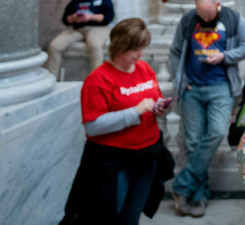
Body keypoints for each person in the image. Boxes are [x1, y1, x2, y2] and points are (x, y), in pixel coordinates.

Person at [61, 18, 172, 225]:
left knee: (131, 217)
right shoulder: (98, 80)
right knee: (108, 217)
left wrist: (161, 108)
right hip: (114, 160)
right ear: (121, 46)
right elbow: (93, 127)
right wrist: (134, 112)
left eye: (142, 48)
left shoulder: (144, 69)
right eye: (135, 49)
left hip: (147, 153)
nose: (140, 54)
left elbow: (155, 98)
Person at [167, 0, 245, 216]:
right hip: (192, 89)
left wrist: (224, 56)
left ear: (218, 5)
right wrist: (180, 79)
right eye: (201, 16)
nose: (205, 20)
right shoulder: (188, 20)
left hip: (221, 88)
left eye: (209, 16)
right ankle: (198, 196)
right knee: (194, 143)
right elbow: (175, 52)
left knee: (216, 133)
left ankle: (181, 185)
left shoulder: (233, 19)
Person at [46, 0, 115, 77]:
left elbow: (109, 17)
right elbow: (65, 19)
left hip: (98, 28)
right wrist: (73, 18)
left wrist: (91, 17)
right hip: (78, 28)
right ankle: (52, 77)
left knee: (94, 45)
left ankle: (96, 79)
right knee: (54, 45)